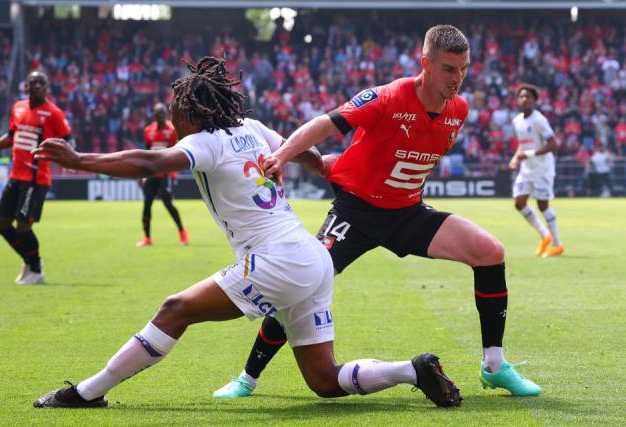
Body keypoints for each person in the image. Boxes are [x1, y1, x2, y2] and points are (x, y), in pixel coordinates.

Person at [30, 56, 461, 409]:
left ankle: (88, 392)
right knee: (325, 381)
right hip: (312, 258)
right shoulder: (253, 130)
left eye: (177, 110)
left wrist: (78, 159)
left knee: (174, 310)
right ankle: (413, 369)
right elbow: (304, 152)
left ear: (190, 111)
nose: (175, 119)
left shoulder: (206, 142)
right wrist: (325, 166)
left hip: (278, 260)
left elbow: (150, 164)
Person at [214, 25, 540, 400]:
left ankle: (494, 366)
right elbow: (325, 124)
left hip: (407, 214)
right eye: (449, 69)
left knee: (489, 251)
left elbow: (407, 154)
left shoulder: (459, 110)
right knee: (299, 284)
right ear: (425, 64)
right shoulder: (387, 97)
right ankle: (247, 378)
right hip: (357, 213)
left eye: (464, 68)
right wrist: (281, 155)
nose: (458, 78)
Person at [0, 71, 73, 285]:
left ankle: (36, 270)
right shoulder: (17, 108)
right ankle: (29, 261)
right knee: (1, 223)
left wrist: (71, 160)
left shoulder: (54, 113)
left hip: (36, 179)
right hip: (15, 176)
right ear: (26, 87)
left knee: (23, 226)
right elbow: (12, 136)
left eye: (42, 83)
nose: (37, 86)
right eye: (33, 82)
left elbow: (68, 139)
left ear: (47, 88)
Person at [508, 85, 563, 258]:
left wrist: (529, 154)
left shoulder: (539, 120)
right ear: (518, 100)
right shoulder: (517, 121)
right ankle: (544, 235)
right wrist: (515, 157)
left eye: (529, 97)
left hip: (542, 169)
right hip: (527, 169)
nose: (525, 99)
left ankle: (557, 244)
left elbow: (553, 145)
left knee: (542, 205)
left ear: (534, 101)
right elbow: (523, 145)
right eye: (522, 97)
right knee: (519, 203)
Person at [137, 103, 188, 247]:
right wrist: (143, 175)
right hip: (152, 174)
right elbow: (147, 154)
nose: (160, 117)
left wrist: (171, 172)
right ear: (154, 115)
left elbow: (175, 152)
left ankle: (182, 232)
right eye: (157, 114)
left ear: (166, 115)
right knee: (147, 204)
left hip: (165, 173)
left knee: (168, 204)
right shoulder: (148, 131)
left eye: (162, 114)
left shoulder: (172, 130)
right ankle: (147, 238)